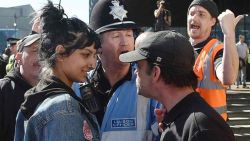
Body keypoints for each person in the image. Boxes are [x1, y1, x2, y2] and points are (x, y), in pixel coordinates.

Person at [119, 30, 235, 141]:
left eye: (139, 66)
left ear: (155, 73)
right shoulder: (182, 122)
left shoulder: (202, 131)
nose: (135, 72)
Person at [15, 1, 101, 141]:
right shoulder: (63, 108)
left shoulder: (36, 96)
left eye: (95, 56)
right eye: (86, 54)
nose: (92, 64)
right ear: (60, 53)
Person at [89, 0, 160, 140]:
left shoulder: (150, 85)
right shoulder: (78, 86)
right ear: (97, 46)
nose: (125, 42)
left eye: (128, 34)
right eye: (116, 36)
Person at [188, 0, 243, 121]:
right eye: (191, 13)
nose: (194, 18)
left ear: (212, 21)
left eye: (201, 14)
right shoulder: (180, 48)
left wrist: (229, 34)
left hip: (212, 129)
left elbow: (228, 78)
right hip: (185, 127)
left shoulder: (217, 50)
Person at [0, 34, 41, 141]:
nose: (41, 56)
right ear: (19, 57)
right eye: (35, 50)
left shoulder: (53, 92)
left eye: (45, 51)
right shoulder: (4, 89)